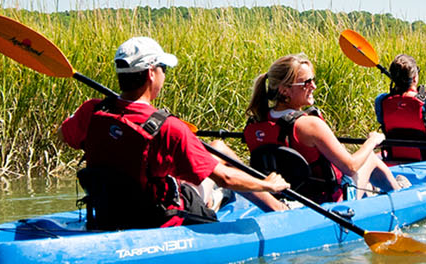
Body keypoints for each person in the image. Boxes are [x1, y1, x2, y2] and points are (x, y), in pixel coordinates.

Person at [58, 37, 289, 231]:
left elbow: (64, 135)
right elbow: (224, 178)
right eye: (164, 69)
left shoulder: (91, 110)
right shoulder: (169, 128)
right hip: (158, 220)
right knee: (214, 169)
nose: (164, 76)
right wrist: (267, 184)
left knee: (216, 150)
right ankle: (275, 207)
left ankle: (234, 199)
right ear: (151, 73)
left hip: (109, 214)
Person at [242, 54, 408, 203]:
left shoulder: (256, 125)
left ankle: (378, 193)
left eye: (313, 80)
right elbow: (350, 167)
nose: (313, 86)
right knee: (370, 157)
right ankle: (402, 197)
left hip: (290, 199)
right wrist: (372, 141)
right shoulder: (310, 125)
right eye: (306, 82)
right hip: (331, 202)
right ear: (285, 91)